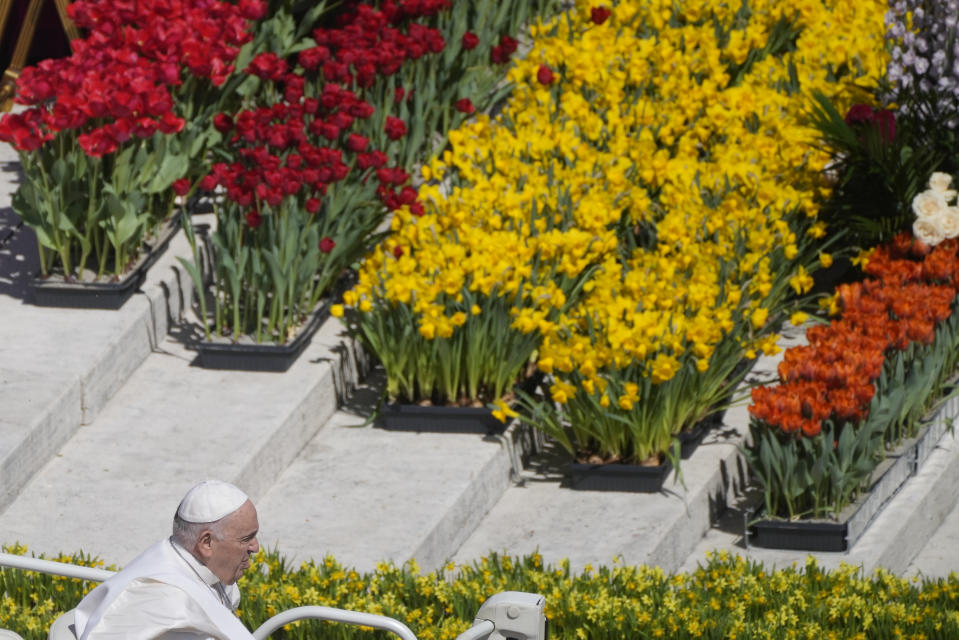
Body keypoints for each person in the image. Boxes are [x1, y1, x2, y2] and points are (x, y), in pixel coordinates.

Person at [73, 480, 261, 639]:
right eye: (246, 539)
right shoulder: (154, 595)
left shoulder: (205, 568)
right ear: (206, 543)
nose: (256, 547)